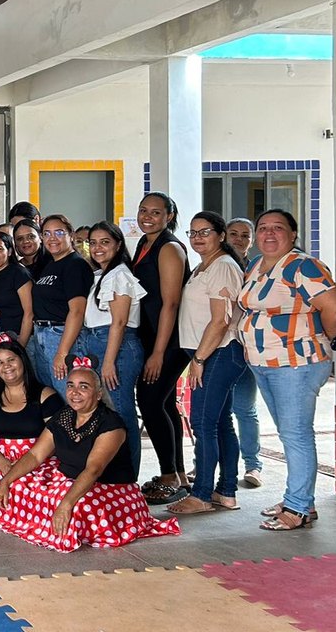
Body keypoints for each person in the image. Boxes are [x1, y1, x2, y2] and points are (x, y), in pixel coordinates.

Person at [0, 357, 180, 552]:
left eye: (84, 387)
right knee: (18, 484)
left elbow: (93, 470)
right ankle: (48, 522)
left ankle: (61, 523)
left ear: (98, 394)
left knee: (78, 506)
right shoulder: (64, 415)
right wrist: (6, 481)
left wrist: (65, 504)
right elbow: (35, 455)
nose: (75, 392)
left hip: (109, 489)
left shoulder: (111, 425)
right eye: (70, 385)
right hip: (69, 480)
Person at [238, 209, 336, 531]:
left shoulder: (303, 266)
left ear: (293, 234)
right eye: (263, 228)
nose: (269, 234)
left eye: (278, 228)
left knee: (296, 434)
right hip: (264, 363)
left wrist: (318, 339)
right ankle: (301, 500)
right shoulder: (256, 265)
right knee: (289, 433)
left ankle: (297, 508)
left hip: (297, 365)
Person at [168, 212, 249, 516]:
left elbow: (220, 321)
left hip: (219, 352)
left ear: (221, 235)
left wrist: (199, 359)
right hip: (212, 352)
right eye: (193, 232)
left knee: (202, 423)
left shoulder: (223, 267)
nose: (197, 238)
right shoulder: (206, 265)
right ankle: (225, 492)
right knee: (219, 422)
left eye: (205, 232)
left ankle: (201, 494)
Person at [132, 192, 192, 504]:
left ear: (169, 216)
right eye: (144, 210)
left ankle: (169, 476)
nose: (147, 217)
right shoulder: (145, 243)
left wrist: (158, 352)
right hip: (153, 337)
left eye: (156, 212)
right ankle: (178, 475)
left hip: (169, 340)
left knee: (150, 401)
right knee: (165, 404)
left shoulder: (169, 248)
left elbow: (170, 304)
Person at [72, 220, 145, 471]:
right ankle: (113, 472)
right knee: (108, 412)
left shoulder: (120, 275)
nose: (97, 248)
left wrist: (109, 361)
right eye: (93, 243)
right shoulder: (101, 274)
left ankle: (129, 475)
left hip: (116, 346)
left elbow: (119, 322)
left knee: (122, 412)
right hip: (98, 342)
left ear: (118, 244)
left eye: (105, 242)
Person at [0, 335, 62, 507]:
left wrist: (22, 464)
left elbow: (55, 440)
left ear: (23, 360)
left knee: (25, 488)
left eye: (11, 360)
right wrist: (1, 461)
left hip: (36, 459)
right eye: (0, 362)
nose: (6, 366)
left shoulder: (46, 396)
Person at [28, 215, 92, 397]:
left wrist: (62, 353)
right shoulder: (51, 264)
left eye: (59, 232)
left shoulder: (75, 265)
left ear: (71, 235)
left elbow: (77, 311)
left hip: (61, 336)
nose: (52, 238)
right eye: (47, 233)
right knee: (51, 396)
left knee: (69, 396)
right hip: (42, 335)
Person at [226, 216, 263, 487]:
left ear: (252, 241)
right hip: (216, 347)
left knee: (245, 409)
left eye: (245, 235)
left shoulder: (258, 270)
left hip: (246, 348)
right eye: (233, 234)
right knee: (214, 412)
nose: (239, 239)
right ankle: (204, 464)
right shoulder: (213, 265)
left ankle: (253, 466)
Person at [0, 231, 34, 345]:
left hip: (24, 338)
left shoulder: (19, 273)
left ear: (9, 251)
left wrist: (21, 345)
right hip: (6, 336)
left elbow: (30, 313)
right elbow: (6, 310)